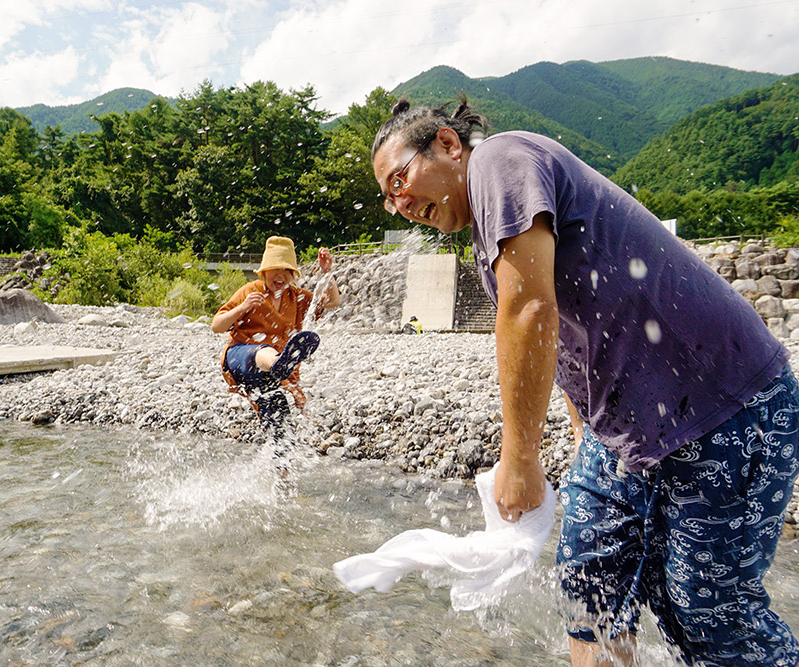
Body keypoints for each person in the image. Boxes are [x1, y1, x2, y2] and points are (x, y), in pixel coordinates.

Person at [371, 96, 799, 667]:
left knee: (707, 610)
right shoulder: (484, 229)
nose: (399, 204)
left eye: (401, 179)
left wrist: (519, 458)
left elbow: (529, 311)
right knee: (590, 577)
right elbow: (575, 332)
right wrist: (581, 428)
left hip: (725, 402)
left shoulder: (500, 160)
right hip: (624, 431)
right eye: (387, 197)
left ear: (449, 144)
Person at [212, 236, 340, 438]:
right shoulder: (250, 290)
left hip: (268, 375)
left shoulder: (295, 296)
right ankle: (278, 363)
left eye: (287, 271)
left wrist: (327, 272)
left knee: (281, 429)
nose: (281, 276)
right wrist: (243, 307)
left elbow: (332, 301)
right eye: (276, 270)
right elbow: (217, 326)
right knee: (263, 351)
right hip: (239, 358)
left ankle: (280, 466)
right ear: (264, 272)